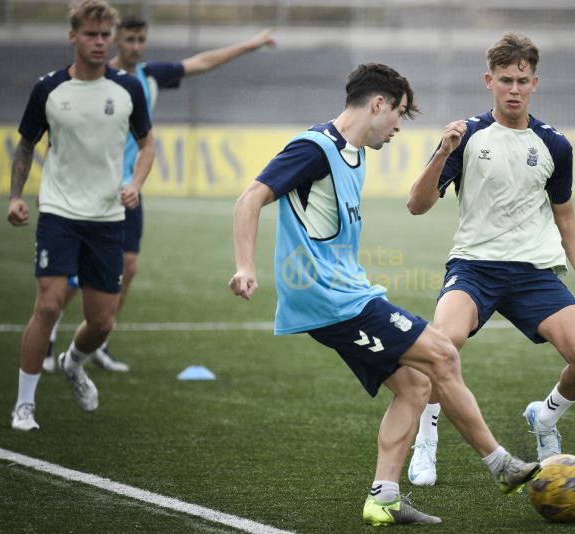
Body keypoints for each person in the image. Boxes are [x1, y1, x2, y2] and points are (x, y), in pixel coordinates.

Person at [229, 62, 541, 526]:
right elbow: (250, 197)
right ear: (377, 104)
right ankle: (500, 464)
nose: (397, 126)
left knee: (416, 385)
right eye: (397, 114)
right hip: (330, 299)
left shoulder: (354, 155)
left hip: (348, 293)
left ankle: (385, 498)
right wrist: (245, 266)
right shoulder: (314, 149)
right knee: (442, 354)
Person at [405, 32, 575, 486]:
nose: (514, 88)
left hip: (534, 274)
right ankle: (426, 440)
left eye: (522, 80)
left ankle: (545, 418)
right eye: (505, 80)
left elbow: (567, 217)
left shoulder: (554, 145)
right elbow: (417, 205)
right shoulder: (466, 135)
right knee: (439, 346)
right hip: (474, 268)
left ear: (534, 83)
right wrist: (442, 151)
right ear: (489, 81)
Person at [42, 17, 277, 373]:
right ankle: (51, 332)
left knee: (129, 266)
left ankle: (97, 340)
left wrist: (251, 44)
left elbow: (201, 62)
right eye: (130, 39)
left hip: (130, 190)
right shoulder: (96, 79)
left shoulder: (149, 76)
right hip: (89, 189)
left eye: (141, 39)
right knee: (76, 272)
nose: (136, 46)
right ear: (115, 40)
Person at [8, 0, 154, 431]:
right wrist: (16, 196)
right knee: (49, 305)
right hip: (58, 212)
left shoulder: (128, 89)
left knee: (101, 320)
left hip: (108, 218)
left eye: (104, 35)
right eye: (91, 34)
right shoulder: (48, 89)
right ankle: (24, 405)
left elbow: (147, 145)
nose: (99, 42)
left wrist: (136, 185)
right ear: (73, 36)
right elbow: (25, 145)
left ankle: (73, 364)